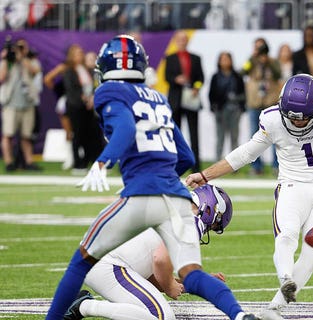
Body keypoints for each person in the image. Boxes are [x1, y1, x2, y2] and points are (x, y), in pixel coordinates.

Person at [45, 35, 257, 320]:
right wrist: (163, 175)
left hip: (141, 195)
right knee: (186, 285)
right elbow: (185, 157)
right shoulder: (157, 98)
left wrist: (104, 162)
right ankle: (240, 315)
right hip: (167, 197)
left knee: (79, 264)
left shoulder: (109, 91)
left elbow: (124, 130)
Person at [185, 74, 313, 320]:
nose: (296, 121)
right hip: (292, 187)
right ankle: (285, 277)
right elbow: (246, 153)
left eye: (303, 116)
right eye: (292, 116)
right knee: (286, 235)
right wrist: (206, 175)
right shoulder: (272, 118)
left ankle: (274, 308)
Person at [63, 184, 235, 320]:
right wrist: (169, 287)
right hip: (110, 265)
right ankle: (83, 306)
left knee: (150, 311)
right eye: (214, 225)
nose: (209, 229)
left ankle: (84, 305)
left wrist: (192, 283)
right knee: (161, 317)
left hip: (99, 260)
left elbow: (148, 274)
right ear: (211, 210)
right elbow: (159, 259)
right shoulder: (191, 220)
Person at [164, 30, 205, 172]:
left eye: (184, 39)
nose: (182, 42)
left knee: (194, 134)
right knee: (175, 134)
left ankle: (196, 167)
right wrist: (176, 79)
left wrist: (196, 88)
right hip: (176, 100)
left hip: (191, 100)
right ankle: (175, 164)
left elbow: (201, 79)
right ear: (176, 41)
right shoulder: (170, 58)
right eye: (180, 39)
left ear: (187, 41)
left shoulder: (195, 58)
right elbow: (167, 77)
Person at [0, 37, 42, 171]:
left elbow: (35, 72)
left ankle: (29, 162)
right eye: (18, 47)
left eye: (22, 47)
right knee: (8, 134)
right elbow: (2, 77)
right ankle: (9, 162)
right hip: (10, 103)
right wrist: (6, 59)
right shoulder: (7, 62)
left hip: (27, 103)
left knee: (26, 135)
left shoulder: (30, 61)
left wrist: (22, 57)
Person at [241, 38, 281, 175]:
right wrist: (253, 58)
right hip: (254, 102)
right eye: (257, 47)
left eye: (261, 47)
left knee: (275, 135)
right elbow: (242, 71)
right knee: (254, 136)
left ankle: (277, 166)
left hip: (270, 102)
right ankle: (256, 167)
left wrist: (268, 62)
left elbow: (278, 74)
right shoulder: (251, 61)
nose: (259, 51)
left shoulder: (273, 62)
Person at [62, 44, 103, 173]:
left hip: (88, 107)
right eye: (78, 53)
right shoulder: (69, 70)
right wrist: (83, 98)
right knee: (77, 134)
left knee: (88, 134)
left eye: (81, 53)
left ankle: (86, 161)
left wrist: (91, 98)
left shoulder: (87, 70)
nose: (81, 55)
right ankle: (77, 163)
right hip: (75, 106)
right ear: (72, 56)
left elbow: (93, 85)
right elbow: (70, 89)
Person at [208, 51, 246, 162]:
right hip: (220, 111)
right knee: (220, 137)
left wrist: (240, 106)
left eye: (227, 59)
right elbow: (211, 94)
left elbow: (243, 93)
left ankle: (235, 163)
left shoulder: (237, 76)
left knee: (234, 137)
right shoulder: (215, 77)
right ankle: (217, 161)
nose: (225, 61)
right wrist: (214, 108)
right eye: (222, 59)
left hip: (235, 110)